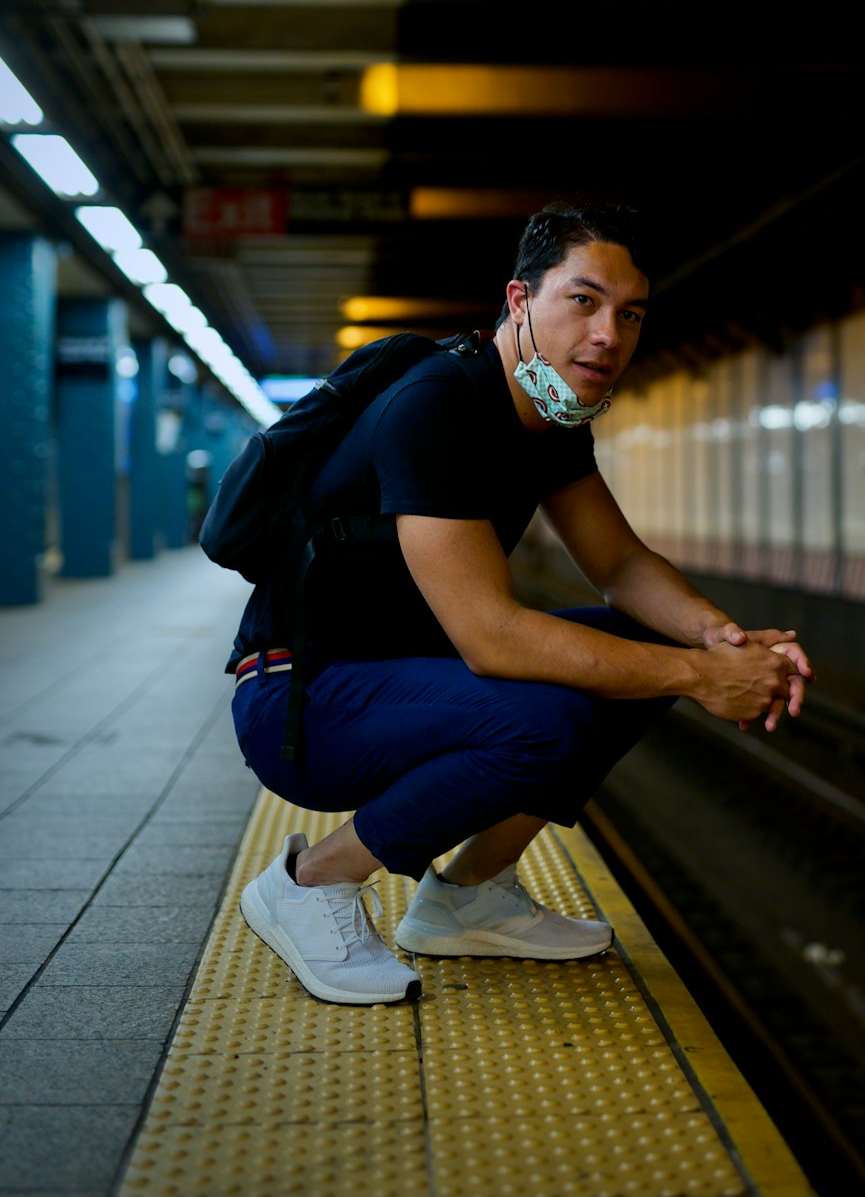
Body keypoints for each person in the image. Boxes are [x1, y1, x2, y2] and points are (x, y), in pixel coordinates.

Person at [233, 201, 814, 1005]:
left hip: (400, 681)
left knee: (634, 645)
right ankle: (310, 882)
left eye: (630, 312)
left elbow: (619, 564)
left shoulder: (549, 417)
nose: (608, 333)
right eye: (583, 300)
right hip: (302, 695)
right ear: (519, 302)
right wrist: (693, 676)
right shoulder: (436, 405)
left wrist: (719, 641)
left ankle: (467, 895)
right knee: (550, 717)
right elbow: (491, 639)